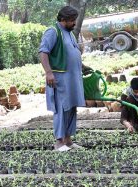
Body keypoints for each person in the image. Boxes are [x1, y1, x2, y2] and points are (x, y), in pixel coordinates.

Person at [39, 6, 91, 151]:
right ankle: (59, 143)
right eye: (72, 21)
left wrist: (82, 66)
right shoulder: (53, 32)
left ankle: (68, 141)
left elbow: (72, 52)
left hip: (73, 78)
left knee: (71, 108)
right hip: (60, 78)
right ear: (63, 19)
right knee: (62, 109)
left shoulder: (69, 33)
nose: (74, 23)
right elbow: (43, 52)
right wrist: (48, 72)